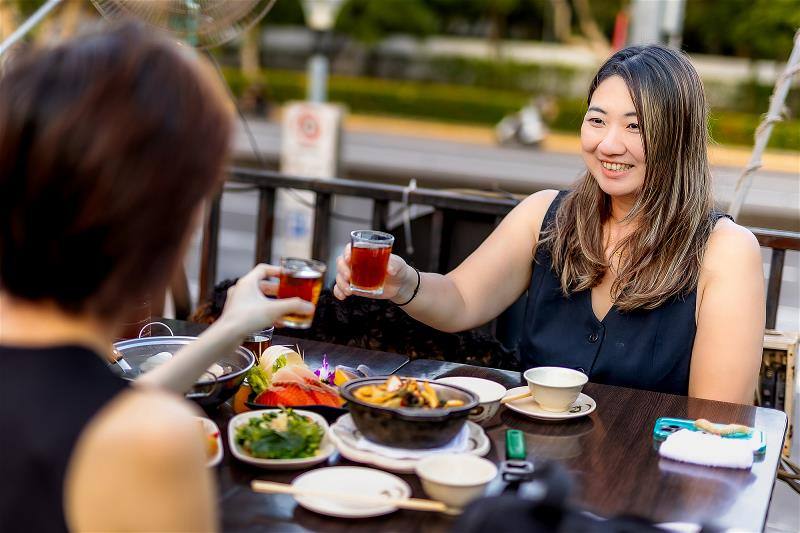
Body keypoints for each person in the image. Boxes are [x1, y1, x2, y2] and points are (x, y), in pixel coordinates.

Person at [0, 23, 312, 532]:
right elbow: (110, 425)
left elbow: (92, 413)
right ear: (163, 224)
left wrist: (229, 329)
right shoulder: (147, 443)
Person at [334, 45, 765, 404]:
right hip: (533, 475)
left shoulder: (724, 250)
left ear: (678, 136)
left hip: (648, 488)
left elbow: (716, 424)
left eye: (636, 127)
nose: (608, 144)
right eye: (597, 120)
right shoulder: (546, 214)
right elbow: (461, 300)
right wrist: (404, 283)